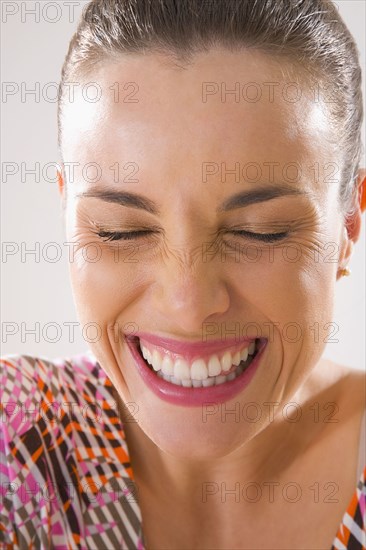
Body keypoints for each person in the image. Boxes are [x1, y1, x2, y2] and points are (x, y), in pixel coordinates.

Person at [1, 0, 365, 548]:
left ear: (349, 224)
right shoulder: (17, 440)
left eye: (260, 231)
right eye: (120, 230)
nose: (189, 303)